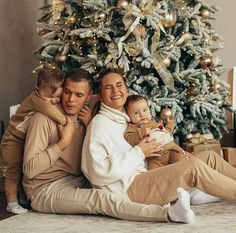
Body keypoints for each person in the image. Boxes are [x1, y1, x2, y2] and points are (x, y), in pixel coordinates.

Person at [23, 67, 196, 224]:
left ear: (90, 96)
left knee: (116, 187)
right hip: (44, 189)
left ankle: (189, 193)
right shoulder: (43, 119)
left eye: (79, 95)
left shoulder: (89, 119)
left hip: (79, 180)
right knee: (102, 199)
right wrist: (63, 143)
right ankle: (169, 214)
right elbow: (29, 170)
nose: (70, 100)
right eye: (67, 92)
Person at [81, 67, 236, 220]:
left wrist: (178, 153)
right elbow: (96, 173)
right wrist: (139, 152)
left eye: (119, 85)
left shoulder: (125, 119)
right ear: (100, 96)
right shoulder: (100, 124)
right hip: (131, 189)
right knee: (193, 168)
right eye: (108, 87)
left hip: (151, 173)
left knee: (209, 157)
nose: (115, 91)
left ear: (126, 90)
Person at [1, 68, 66, 214]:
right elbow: (58, 116)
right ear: (37, 89)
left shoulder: (43, 98)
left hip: (22, 138)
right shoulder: (37, 100)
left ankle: (22, 198)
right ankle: (11, 202)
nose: (53, 101)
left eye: (57, 97)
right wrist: (67, 123)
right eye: (49, 97)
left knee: (25, 168)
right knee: (13, 171)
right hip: (12, 139)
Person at [124, 94, 189, 169]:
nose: (142, 115)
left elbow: (165, 133)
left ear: (149, 110)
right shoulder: (132, 127)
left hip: (172, 149)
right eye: (136, 113)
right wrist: (141, 132)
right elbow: (129, 137)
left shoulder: (154, 123)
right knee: (155, 173)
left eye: (145, 110)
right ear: (128, 116)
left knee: (181, 164)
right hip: (155, 159)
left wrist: (170, 124)